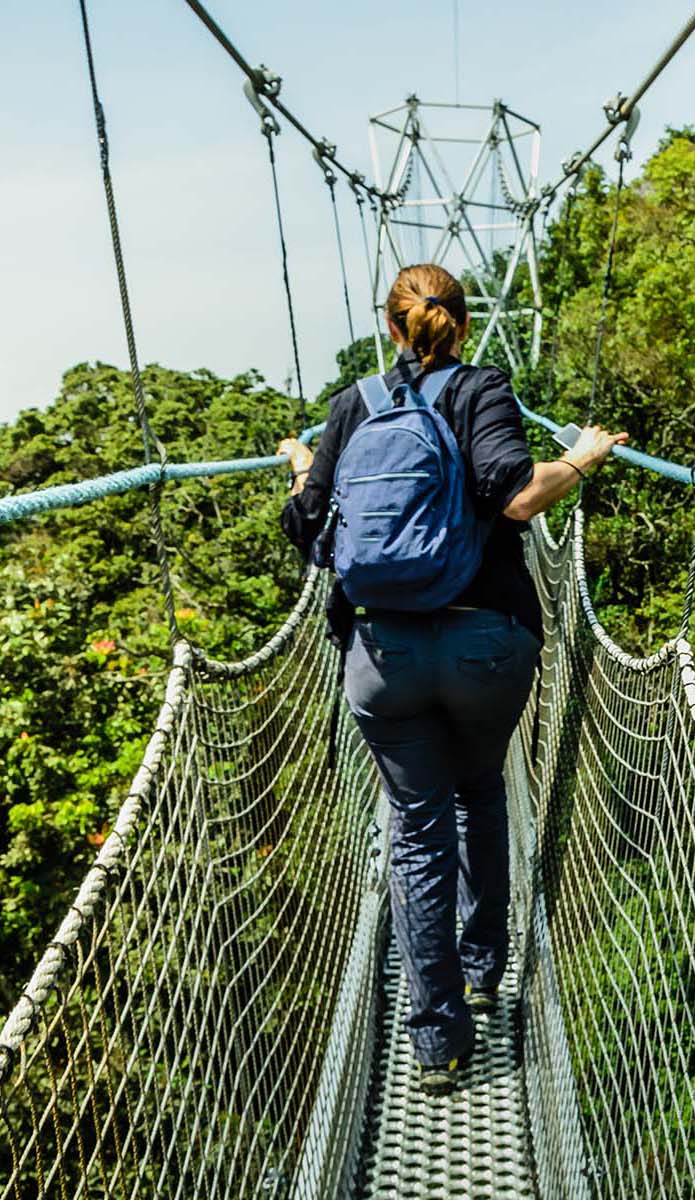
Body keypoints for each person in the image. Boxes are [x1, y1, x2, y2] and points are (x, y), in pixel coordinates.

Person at [277, 263, 627, 1093]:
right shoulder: (481, 389)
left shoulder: (352, 404)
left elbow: (306, 526)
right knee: (481, 792)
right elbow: (515, 498)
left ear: (392, 328)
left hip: (382, 657)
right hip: (486, 646)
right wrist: (581, 459)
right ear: (460, 326)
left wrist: (301, 464)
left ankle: (438, 1043)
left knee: (415, 829)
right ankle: (482, 970)